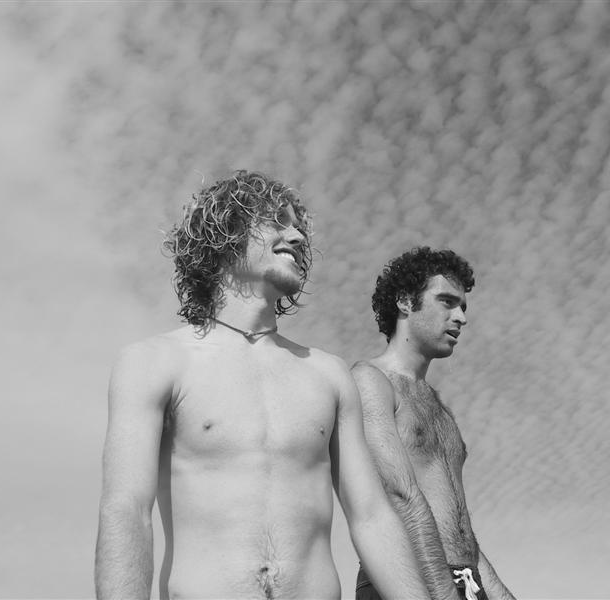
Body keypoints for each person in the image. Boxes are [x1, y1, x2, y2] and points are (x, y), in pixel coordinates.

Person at [94, 171, 433, 600]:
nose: (297, 237)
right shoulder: (154, 362)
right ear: (225, 232)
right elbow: (127, 510)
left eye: (299, 228)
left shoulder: (328, 375)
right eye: (277, 221)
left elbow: (371, 516)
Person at [353, 247, 515, 600]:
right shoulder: (370, 381)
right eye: (447, 302)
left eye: (463, 307)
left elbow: (458, 529)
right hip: (404, 581)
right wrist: (443, 593)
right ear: (405, 302)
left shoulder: (440, 409)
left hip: (464, 583)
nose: (461, 317)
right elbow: (400, 496)